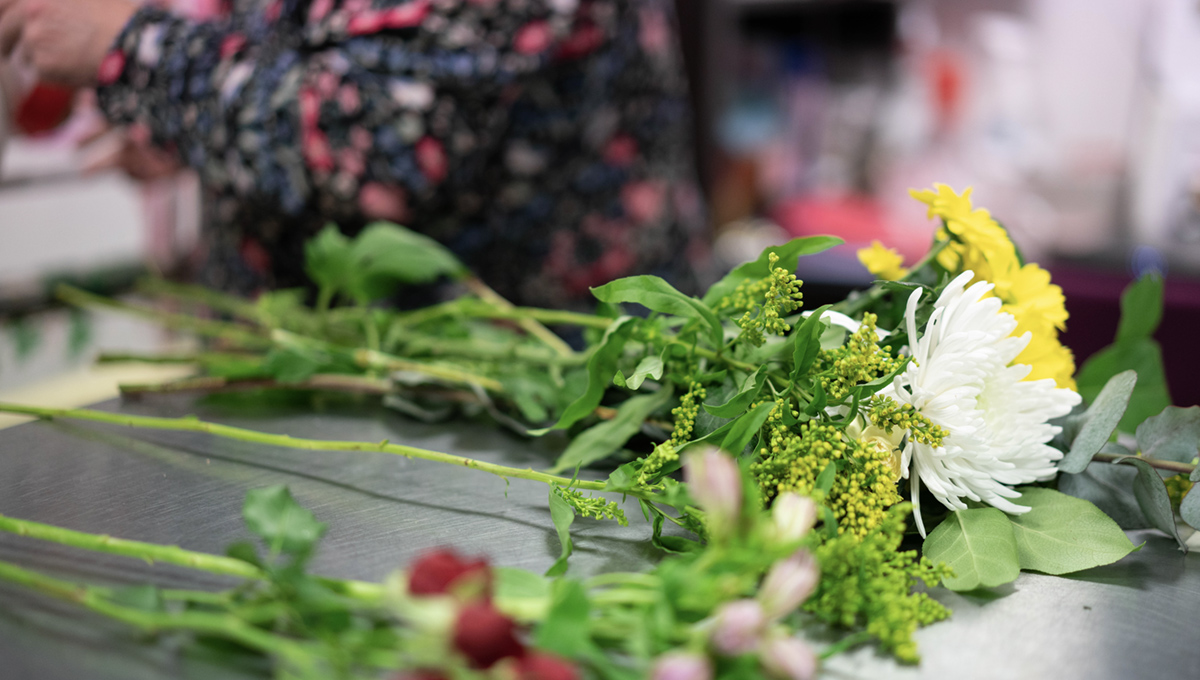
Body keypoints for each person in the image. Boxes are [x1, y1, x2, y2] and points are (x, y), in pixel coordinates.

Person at [0, 0, 709, 308]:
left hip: (535, 405)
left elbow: (374, 141)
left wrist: (135, 53)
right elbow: (327, 55)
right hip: (372, 392)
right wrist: (203, 124)